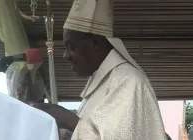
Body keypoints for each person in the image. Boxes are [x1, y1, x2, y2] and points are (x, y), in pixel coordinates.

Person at [32, 0, 168, 139]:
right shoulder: (102, 82)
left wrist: (66, 118)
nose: (65, 56)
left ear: (95, 43)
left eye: (72, 47)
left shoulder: (128, 81)